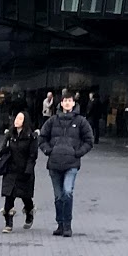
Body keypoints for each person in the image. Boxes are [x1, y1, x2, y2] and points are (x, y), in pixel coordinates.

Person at [42, 93, 96, 236]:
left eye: (69, 101)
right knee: (58, 196)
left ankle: (67, 225)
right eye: (65, 100)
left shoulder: (81, 121)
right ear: (61, 103)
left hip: (71, 163)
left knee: (67, 192)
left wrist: (77, 153)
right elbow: (42, 138)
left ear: (73, 103)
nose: (67, 103)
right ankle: (60, 224)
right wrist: (49, 151)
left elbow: (89, 140)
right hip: (54, 163)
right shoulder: (52, 121)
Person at [0, 110, 39, 231]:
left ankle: (29, 212)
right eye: (16, 118)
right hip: (11, 170)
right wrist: (6, 148)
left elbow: (32, 155)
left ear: (25, 122)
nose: (16, 121)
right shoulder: (10, 134)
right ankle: (8, 223)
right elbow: (1, 152)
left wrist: (28, 170)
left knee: (25, 196)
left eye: (20, 119)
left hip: (24, 170)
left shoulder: (31, 136)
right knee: (9, 195)